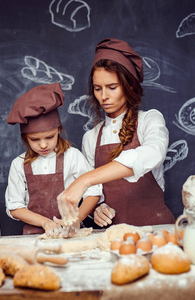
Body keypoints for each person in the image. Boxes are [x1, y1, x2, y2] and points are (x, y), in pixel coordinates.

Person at [58, 38, 175, 227]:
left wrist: (84, 180)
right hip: (113, 238)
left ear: (129, 86)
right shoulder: (91, 137)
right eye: (98, 89)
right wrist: (98, 208)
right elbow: (95, 192)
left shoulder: (150, 119)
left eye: (112, 87)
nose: (104, 96)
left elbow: (154, 152)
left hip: (157, 230)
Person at [5, 82, 102, 237]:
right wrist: (45, 223)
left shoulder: (72, 156)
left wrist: (78, 218)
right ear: (25, 138)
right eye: (35, 139)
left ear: (59, 130)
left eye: (50, 137)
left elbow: (94, 191)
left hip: (70, 234)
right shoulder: (19, 164)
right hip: (33, 237)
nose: (43, 145)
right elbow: (15, 207)